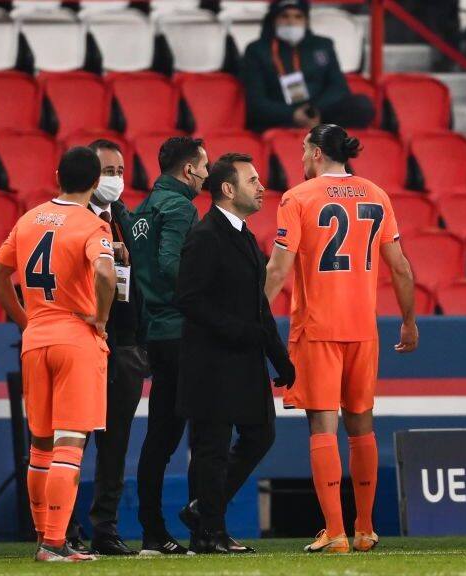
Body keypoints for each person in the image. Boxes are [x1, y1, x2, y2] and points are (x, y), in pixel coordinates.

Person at [265, 124, 418, 553]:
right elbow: (401, 267)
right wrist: (408, 321)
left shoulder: (298, 198)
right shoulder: (376, 194)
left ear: (316, 153)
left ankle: (334, 532)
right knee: (362, 424)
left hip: (318, 328)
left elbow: (278, 270)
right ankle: (365, 528)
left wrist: (253, 316)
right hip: (362, 329)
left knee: (322, 426)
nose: (299, 160)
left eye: (302, 151)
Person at [0, 147, 117, 562]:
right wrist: (100, 317)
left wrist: (25, 319)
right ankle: (55, 544)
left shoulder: (28, 219)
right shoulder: (92, 224)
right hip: (75, 339)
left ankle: (45, 536)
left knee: (40, 446)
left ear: (57, 174)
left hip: (36, 338)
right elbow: (105, 272)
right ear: (97, 182)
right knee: (70, 444)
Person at [175, 153, 296, 554]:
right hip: (212, 362)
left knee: (261, 434)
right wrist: (239, 332)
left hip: (244, 361)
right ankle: (208, 531)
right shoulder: (206, 235)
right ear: (227, 189)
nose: (262, 187)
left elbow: (260, 307)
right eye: (252, 180)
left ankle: (202, 512)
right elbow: (190, 299)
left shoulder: (243, 235)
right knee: (210, 447)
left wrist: (280, 357)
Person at [65, 139, 147, 556]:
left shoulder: (123, 218)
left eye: (119, 171)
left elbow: (137, 285)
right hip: (84, 345)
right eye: (106, 171)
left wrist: (137, 345)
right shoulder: (72, 222)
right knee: (73, 440)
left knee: (115, 449)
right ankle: (63, 527)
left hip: (125, 348)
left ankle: (105, 529)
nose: (114, 179)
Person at [128, 136, 208, 555]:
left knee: (159, 438)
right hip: (180, 333)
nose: (208, 174)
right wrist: (205, 298)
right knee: (201, 434)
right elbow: (170, 264)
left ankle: (152, 531)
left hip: (155, 333)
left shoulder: (142, 210)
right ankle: (200, 529)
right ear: (188, 169)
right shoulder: (181, 208)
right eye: (204, 166)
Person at [241, 0, 375, 133]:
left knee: (362, 106)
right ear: (273, 20)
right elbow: (256, 101)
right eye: (284, 16)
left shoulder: (323, 45)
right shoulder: (256, 50)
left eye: (298, 16)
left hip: (320, 112)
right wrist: (293, 114)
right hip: (281, 117)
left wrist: (314, 110)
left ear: (306, 21)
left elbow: (339, 88)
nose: (291, 22)